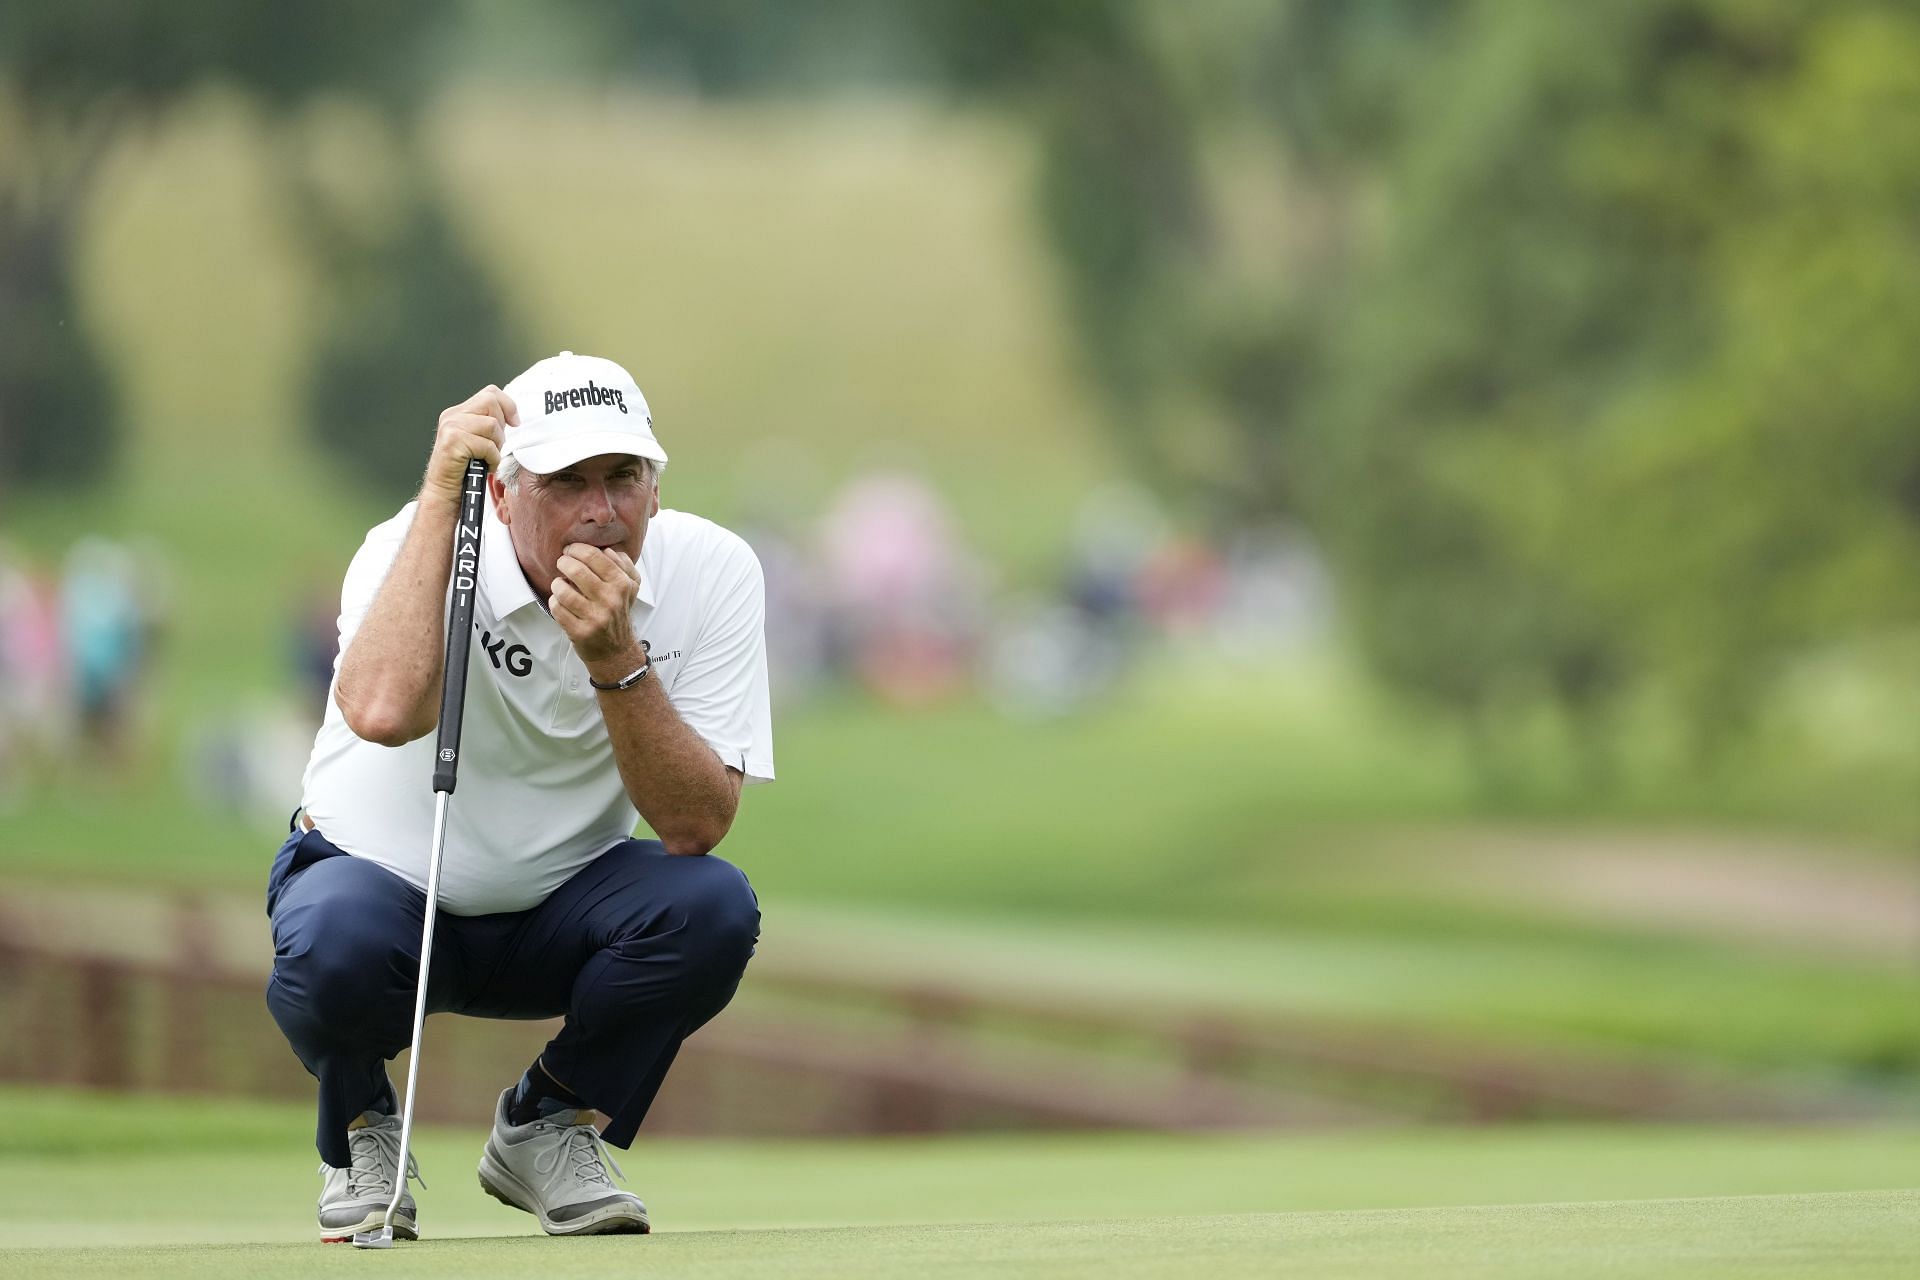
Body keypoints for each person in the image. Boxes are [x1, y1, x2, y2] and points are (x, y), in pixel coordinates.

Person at [266, 352, 773, 1241]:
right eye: (566, 482)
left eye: (623, 477)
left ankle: (547, 1123)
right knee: (332, 944)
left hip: (559, 908)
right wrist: (437, 493)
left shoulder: (713, 571)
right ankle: (359, 1128)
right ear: (501, 495)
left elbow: (698, 824)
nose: (601, 511)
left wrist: (616, 657)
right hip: (383, 890)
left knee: (713, 909)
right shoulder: (414, 543)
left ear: (655, 488)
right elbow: (383, 711)